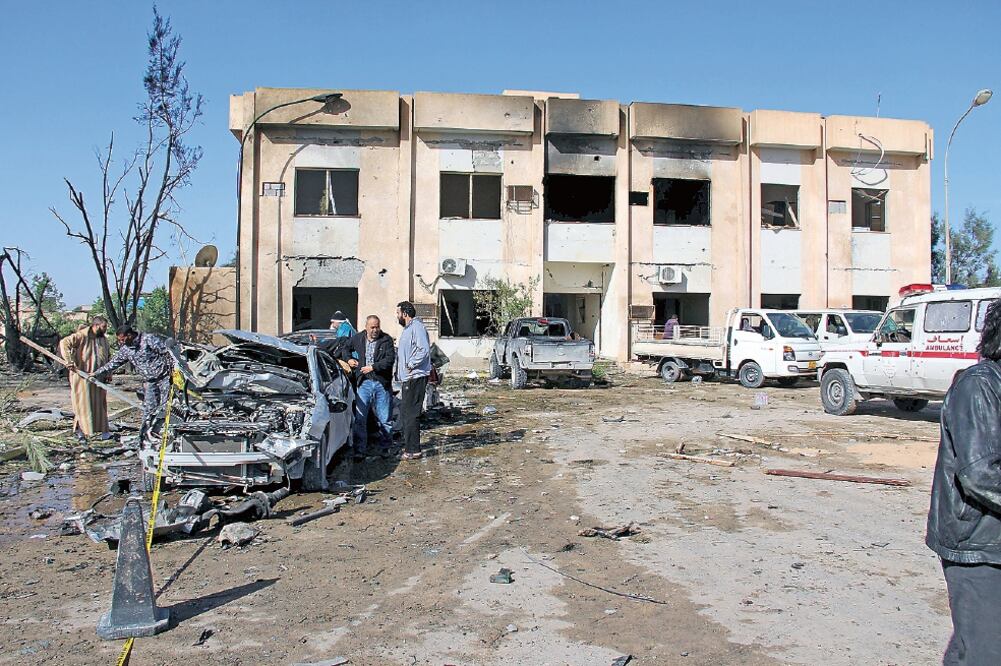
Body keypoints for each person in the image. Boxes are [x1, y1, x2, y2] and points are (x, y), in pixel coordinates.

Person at [927, 298, 1001, 664]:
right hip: (976, 543)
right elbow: (979, 472)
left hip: (992, 541)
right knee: (987, 651)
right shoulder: (980, 386)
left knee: (972, 644)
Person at [93, 327, 174, 433]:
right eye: (119, 340)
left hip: (164, 379)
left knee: (167, 408)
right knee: (149, 410)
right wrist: (96, 373)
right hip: (150, 382)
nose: (121, 342)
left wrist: (173, 372)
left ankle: (168, 435)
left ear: (129, 335)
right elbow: (113, 363)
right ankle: (145, 437)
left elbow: (169, 353)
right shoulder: (126, 349)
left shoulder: (148, 339)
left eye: (122, 339)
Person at [342, 315, 395, 459]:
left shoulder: (386, 340)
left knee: (385, 418)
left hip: (381, 383)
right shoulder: (358, 338)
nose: (375, 330)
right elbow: (345, 348)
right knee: (360, 418)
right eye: (372, 327)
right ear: (366, 327)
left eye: (377, 326)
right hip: (364, 383)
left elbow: (389, 360)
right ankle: (360, 450)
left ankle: (385, 448)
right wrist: (349, 359)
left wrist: (373, 367)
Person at [59, 316, 111, 441]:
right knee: (83, 404)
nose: (105, 329)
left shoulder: (103, 339)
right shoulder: (81, 336)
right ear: (96, 326)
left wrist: (109, 372)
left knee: (100, 405)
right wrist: (69, 361)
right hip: (82, 377)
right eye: (104, 327)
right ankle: (80, 432)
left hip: (98, 377)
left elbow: (107, 356)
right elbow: (64, 343)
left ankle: (104, 433)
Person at [395, 301, 431, 460]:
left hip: (415, 376)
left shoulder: (417, 328)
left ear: (404, 313)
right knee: (407, 413)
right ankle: (409, 447)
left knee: (411, 414)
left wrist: (411, 364)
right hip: (408, 377)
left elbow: (423, 349)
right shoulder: (408, 329)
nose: (397, 316)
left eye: (398, 313)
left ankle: (413, 450)